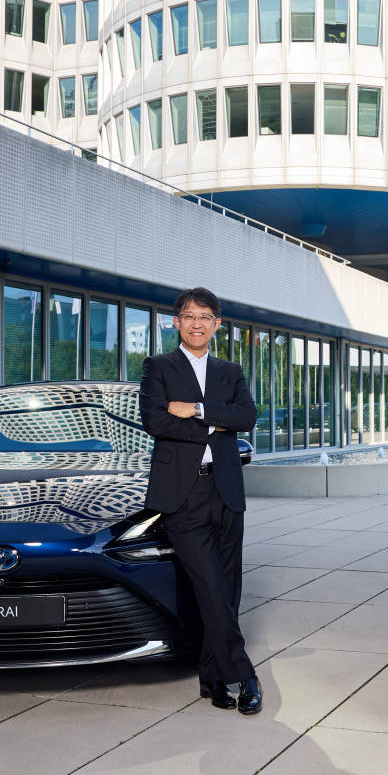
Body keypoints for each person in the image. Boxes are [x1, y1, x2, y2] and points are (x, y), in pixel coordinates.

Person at [138, 286, 262, 715]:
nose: (197, 323)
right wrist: (216, 425)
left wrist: (195, 410)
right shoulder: (158, 366)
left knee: (228, 591)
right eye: (189, 316)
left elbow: (247, 416)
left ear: (217, 325)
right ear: (176, 322)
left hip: (226, 492)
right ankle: (243, 674)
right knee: (210, 587)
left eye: (206, 317)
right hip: (183, 495)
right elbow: (154, 420)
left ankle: (212, 678)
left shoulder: (231, 371)